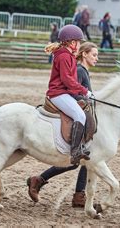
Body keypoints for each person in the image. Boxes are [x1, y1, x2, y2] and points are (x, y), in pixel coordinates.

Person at [28, 41, 99, 207]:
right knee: (80, 160)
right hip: (70, 108)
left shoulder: (83, 70)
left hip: (76, 108)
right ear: (85, 54)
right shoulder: (80, 70)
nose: (97, 58)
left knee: (82, 161)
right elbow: (72, 91)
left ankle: (44, 181)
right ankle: (78, 194)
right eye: (94, 55)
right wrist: (85, 97)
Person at [45, 24, 91, 165]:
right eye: (78, 42)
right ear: (72, 42)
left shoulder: (68, 55)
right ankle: (75, 151)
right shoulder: (64, 56)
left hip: (63, 92)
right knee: (80, 115)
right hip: (58, 93)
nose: (79, 45)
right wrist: (84, 91)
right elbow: (67, 80)